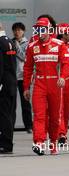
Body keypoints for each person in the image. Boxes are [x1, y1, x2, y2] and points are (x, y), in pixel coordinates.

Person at [23, 17, 69, 155]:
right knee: (39, 115)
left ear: (49, 30)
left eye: (42, 28)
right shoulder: (32, 46)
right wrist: (26, 87)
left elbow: (66, 63)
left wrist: (62, 77)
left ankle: (53, 143)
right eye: (37, 28)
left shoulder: (59, 44)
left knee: (55, 116)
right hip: (39, 84)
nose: (39, 31)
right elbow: (27, 68)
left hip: (55, 84)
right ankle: (39, 143)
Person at [12, 22, 33, 134]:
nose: (17, 32)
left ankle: (29, 126)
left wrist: (16, 46)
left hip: (24, 77)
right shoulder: (10, 42)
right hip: (11, 77)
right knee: (11, 104)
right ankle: (10, 126)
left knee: (25, 103)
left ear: (23, 31)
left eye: (19, 30)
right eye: (15, 30)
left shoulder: (28, 44)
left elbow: (25, 58)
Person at [0, 23, 17, 154]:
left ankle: (6, 145)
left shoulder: (0, 43)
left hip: (3, 84)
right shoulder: (10, 41)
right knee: (9, 114)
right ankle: (7, 142)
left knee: (4, 114)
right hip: (11, 82)